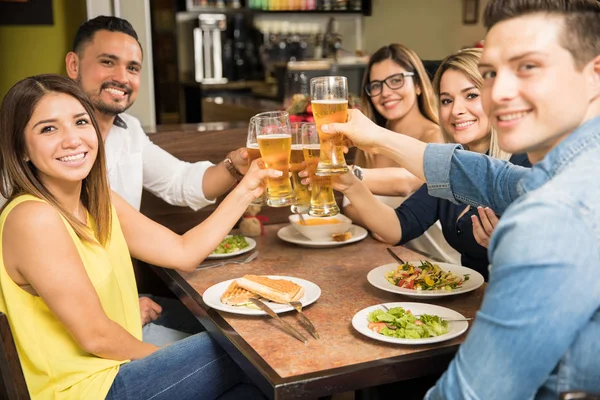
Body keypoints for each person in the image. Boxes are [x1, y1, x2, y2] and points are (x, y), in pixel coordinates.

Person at [321, 0, 600, 398]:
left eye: (528, 67)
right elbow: (486, 175)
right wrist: (376, 137)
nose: (497, 93)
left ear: (594, 75)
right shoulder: (567, 171)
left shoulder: (552, 216)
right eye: (490, 72)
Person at [0, 74, 271, 399]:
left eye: (80, 122)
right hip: (89, 388)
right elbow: (96, 337)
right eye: (48, 128)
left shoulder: (98, 199)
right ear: (22, 149)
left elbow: (183, 251)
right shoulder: (33, 217)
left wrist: (246, 189)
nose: (72, 140)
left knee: (249, 384)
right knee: (247, 345)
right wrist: (167, 361)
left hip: (114, 366)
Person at [63, 16, 250, 344]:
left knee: (240, 331)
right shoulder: (58, 155)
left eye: (133, 68)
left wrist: (235, 166)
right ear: (73, 64)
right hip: (83, 330)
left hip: (120, 306)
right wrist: (111, 313)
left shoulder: (128, 130)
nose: (121, 78)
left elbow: (180, 182)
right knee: (239, 351)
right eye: (108, 62)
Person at [344, 43, 459, 264]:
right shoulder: (368, 143)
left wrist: (344, 174)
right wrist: (377, 223)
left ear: (417, 84)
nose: (386, 92)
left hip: (441, 266)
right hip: (394, 264)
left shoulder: (438, 136)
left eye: (396, 80)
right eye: (376, 85)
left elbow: (406, 182)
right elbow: (349, 207)